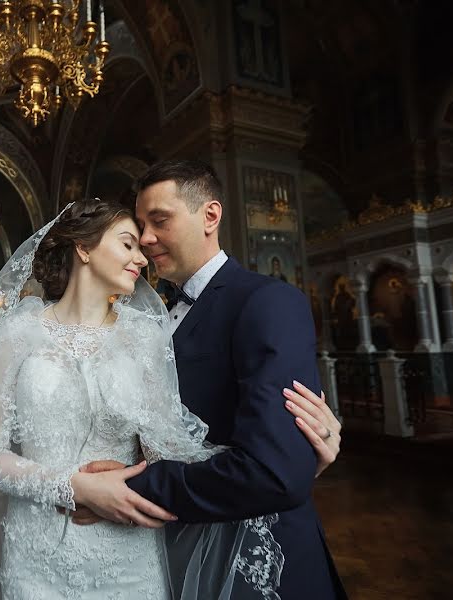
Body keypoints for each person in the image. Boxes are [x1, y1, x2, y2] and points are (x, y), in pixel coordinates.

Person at [0, 196, 340, 599]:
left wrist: (292, 461)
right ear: (83, 248)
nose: (142, 258)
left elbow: (171, 451)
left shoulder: (147, 336)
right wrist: (73, 488)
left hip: (128, 556)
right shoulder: (17, 333)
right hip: (36, 551)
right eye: (128, 243)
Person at [73, 160, 346, 598]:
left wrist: (128, 487)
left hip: (254, 563)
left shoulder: (266, 302)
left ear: (210, 216)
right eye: (140, 225)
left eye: (159, 220)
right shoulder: (148, 317)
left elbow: (274, 471)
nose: (145, 239)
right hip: (168, 551)